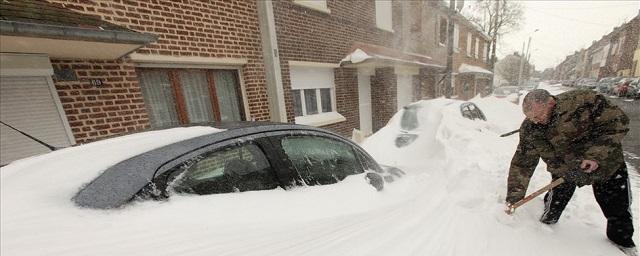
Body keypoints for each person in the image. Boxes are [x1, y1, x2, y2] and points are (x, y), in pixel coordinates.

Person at [505, 89, 635, 251]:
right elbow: (523, 163)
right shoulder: (531, 127)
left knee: (617, 210)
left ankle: (623, 245)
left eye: (539, 116)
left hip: (607, 165)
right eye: (532, 118)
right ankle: (543, 231)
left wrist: (594, 156)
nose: (536, 122)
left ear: (550, 103)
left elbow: (618, 123)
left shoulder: (583, 101)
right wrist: (513, 198)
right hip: (565, 171)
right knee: (553, 207)